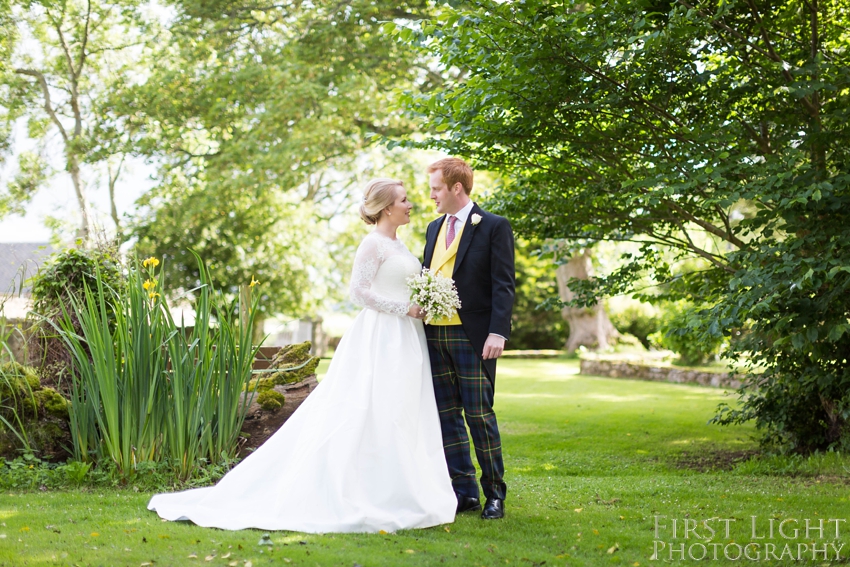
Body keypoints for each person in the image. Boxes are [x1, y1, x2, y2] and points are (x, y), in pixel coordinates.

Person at [147, 178, 456, 533]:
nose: (410, 204)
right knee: (370, 407)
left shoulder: (398, 243)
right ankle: (361, 489)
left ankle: (400, 488)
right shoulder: (372, 245)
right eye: (404, 200)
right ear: (387, 208)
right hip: (381, 336)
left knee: (400, 408)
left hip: (406, 337)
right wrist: (404, 308)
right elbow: (358, 292)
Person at [423, 157, 515, 520]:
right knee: (447, 417)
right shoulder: (433, 228)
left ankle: (495, 493)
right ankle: (464, 492)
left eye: (436, 189)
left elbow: (503, 284)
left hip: (473, 336)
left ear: (455, 188)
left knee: (479, 415)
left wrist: (498, 331)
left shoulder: (493, 226)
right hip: (433, 335)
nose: (431, 196)